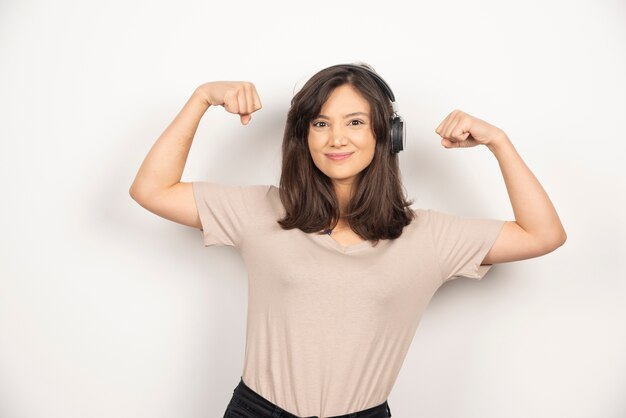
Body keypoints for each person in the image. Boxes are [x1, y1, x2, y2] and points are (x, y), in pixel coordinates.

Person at [129, 63, 566, 418]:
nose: (337, 137)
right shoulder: (261, 211)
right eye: (321, 123)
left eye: (355, 122)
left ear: (387, 135)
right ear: (304, 137)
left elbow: (543, 234)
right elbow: (151, 190)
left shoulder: (428, 236)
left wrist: (499, 143)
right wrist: (202, 97)